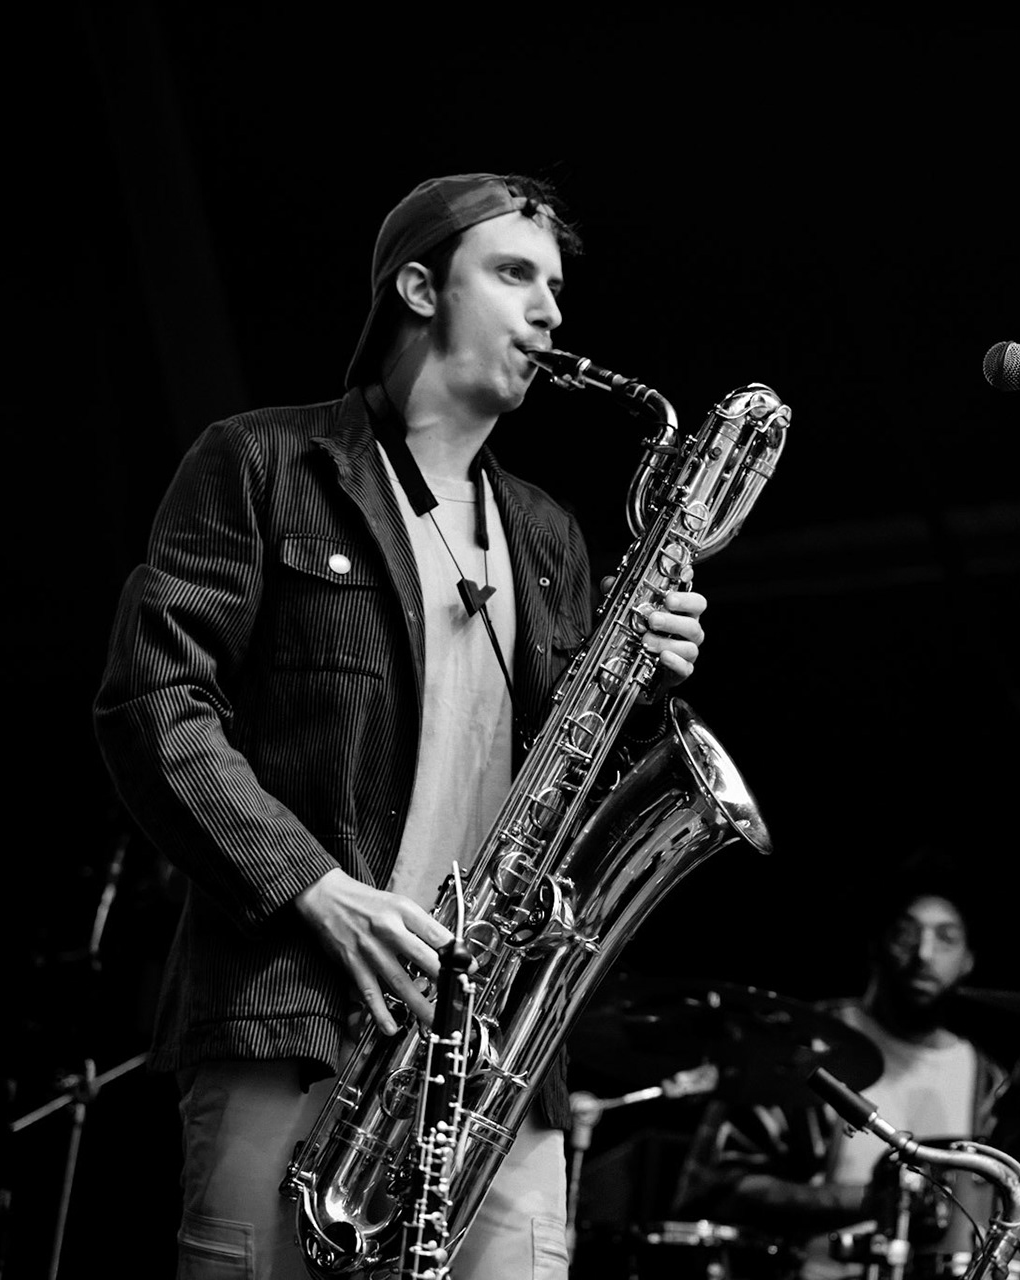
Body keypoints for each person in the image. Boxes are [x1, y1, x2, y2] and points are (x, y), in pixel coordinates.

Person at [94, 172, 710, 1280]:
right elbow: (153, 704)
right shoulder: (261, 462)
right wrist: (318, 889)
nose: (551, 312)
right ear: (418, 285)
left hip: (494, 1057)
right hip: (295, 1015)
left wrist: (646, 679)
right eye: (515, 273)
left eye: (557, 285)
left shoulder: (548, 533)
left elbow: (565, 774)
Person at [672, 883, 1009, 1279]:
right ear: (877, 944)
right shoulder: (803, 1046)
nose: (924, 954)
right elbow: (715, 1189)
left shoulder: (988, 1082)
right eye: (906, 934)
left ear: (968, 960)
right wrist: (865, 1201)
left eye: (946, 938)